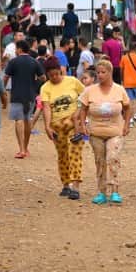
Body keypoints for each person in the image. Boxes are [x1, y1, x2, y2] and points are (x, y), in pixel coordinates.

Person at [76, 59, 130, 205]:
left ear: (110, 72)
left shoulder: (119, 90)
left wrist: (126, 124)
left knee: (113, 158)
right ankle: (101, 192)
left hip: (115, 131)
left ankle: (115, 190)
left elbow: (127, 107)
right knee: (100, 161)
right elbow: (83, 108)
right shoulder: (89, 91)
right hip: (96, 132)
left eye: (103, 72)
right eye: (98, 72)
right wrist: (82, 124)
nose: (100, 75)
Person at [40, 57, 86, 200]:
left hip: (74, 124)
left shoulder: (73, 81)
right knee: (62, 155)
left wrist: (78, 114)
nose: (54, 77)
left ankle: (76, 186)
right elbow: (46, 108)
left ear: (60, 70)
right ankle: (66, 183)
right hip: (57, 126)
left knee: (75, 152)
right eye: (51, 75)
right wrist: (47, 126)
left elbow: (85, 98)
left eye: (56, 74)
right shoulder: (45, 88)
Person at [3, 39, 44, 159]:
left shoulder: (13, 62)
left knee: (19, 120)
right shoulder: (34, 62)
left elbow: (6, 77)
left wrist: (3, 91)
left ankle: (21, 149)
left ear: (20, 49)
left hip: (17, 95)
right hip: (31, 95)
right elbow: (43, 77)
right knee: (27, 120)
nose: (15, 51)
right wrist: (34, 82)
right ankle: (25, 148)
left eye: (16, 49)